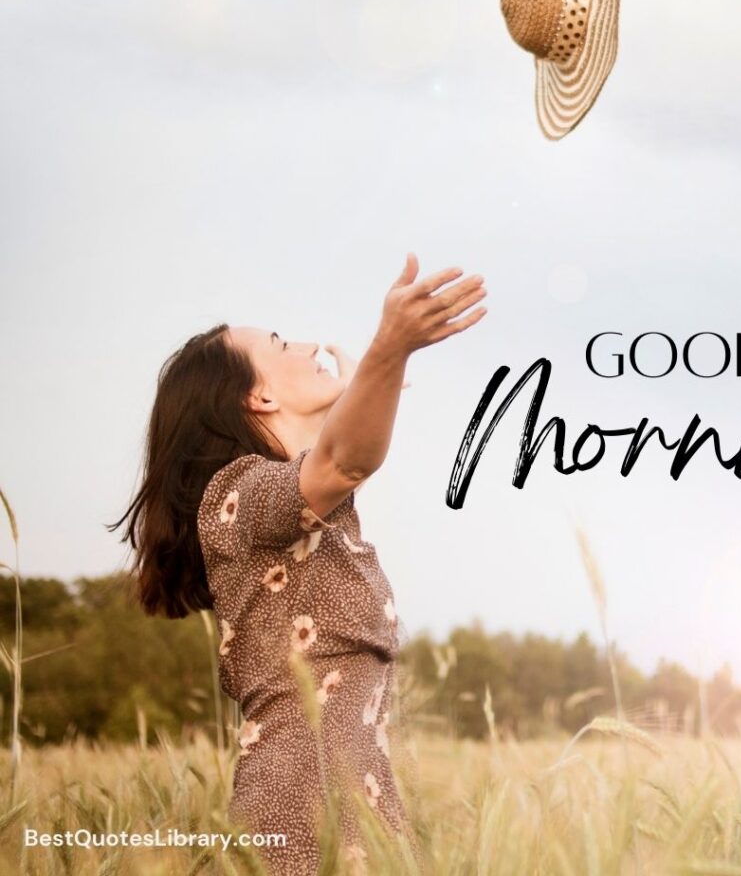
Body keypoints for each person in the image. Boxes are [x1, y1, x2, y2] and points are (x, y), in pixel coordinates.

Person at [112, 252, 487, 875]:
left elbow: (342, 459)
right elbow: (343, 461)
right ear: (257, 395)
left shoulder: (309, 510)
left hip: (352, 808)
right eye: (282, 343)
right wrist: (386, 351)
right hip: (299, 810)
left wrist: (378, 375)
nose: (311, 345)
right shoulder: (239, 495)